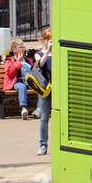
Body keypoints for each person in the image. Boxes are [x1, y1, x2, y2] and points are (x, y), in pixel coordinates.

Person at [33, 28, 52, 156]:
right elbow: (40, 64)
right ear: (44, 40)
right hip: (45, 89)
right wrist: (48, 51)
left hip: (58, 87)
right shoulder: (38, 53)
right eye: (48, 39)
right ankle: (43, 145)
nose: (51, 42)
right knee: (44, 117)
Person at [4, 39, 33, 117]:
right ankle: (23, 108)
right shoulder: (9, 61)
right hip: (17, 82)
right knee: (22, 87)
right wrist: (18, 62)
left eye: (23, 47)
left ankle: (39, 110)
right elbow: (10, 74)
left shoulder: (28, 60)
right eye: (20, 47)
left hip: (29, 82)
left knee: (41, 87)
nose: (23, 49)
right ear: (14, 49)